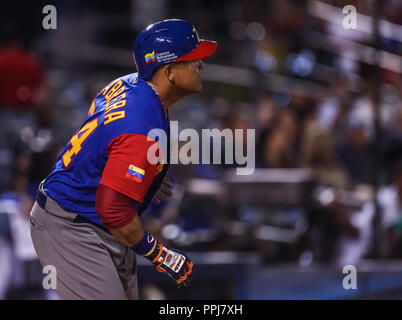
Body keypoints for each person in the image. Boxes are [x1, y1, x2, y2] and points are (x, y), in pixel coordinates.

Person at [29, 19, 217, 300]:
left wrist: (144, 174)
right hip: (72, 225)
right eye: (192, 60)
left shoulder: (127, 84)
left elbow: (105, 145)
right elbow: (113, 209)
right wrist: (160, 255)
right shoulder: (139, 126)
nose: (201, 65)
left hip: (90, 221)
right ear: (169, 71)